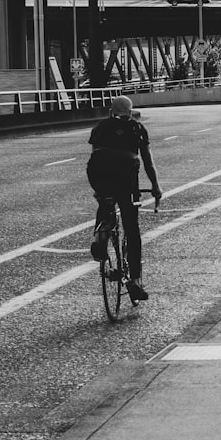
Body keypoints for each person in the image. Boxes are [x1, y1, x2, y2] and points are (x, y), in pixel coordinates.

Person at [87, 96, 162, 302]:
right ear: (130, 111)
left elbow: (95, 155)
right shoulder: (136, 129)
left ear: (111, 111)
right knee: (131, 227)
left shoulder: (100, 127)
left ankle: (101, 236)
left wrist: (100, 189)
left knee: (105, 202)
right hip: (126, 174)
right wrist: (155, 186)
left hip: (98, 170)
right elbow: (147, 160)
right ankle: (136, 281)